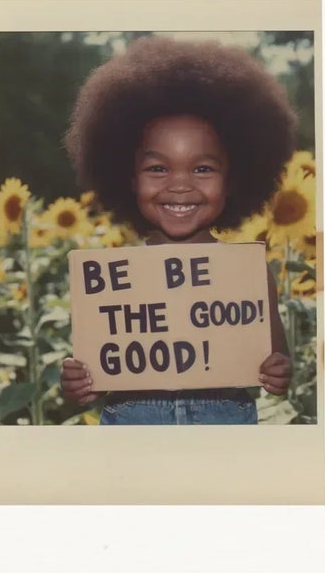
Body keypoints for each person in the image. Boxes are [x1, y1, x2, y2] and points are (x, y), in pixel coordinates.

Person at [60, 36, 295, 424]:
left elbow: (277, 364)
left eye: (202, 168)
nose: (180, 185)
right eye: (157, 168)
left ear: (235, 178)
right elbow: (92, 376)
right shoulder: (108, 282)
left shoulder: (248, 271)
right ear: (128, 179)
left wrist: (278, 371)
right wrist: (78, 383)